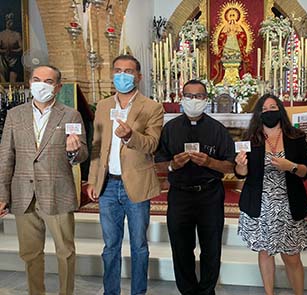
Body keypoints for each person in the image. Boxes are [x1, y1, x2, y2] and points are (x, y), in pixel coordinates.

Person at [0, 65, 88, 294]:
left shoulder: (70, 114)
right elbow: (6, 157)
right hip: (23, 195)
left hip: (57, 193)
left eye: (48, 81)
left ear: (58, 87)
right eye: (37, 79)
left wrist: (73, 151)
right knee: (30, 253)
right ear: (30, 83)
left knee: (65, 252)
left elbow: (82, 155)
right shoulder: (14, 115)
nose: (41, 85)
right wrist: (2, 195)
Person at [86, 54, 164, 295]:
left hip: (137, 183)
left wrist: (131, 136)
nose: (122, 75)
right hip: (107, 185)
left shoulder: (152, 107)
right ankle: (111, 291)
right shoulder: (103, 106)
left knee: (139, 245)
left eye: (128, 71)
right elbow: (97, 145)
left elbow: (152, 144)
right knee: (110, 245)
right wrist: (92, 179)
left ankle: (138, 292)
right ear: (112, 74)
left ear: (138, 76)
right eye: (118, 70)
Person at [154, 79, 235, 295]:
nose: (193, 100)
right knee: (181, 248)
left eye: (198, 96)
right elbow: (158, 163)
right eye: (189, 96)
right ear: (181, 98)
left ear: (206, 100)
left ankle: (207, 291)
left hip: (209, 194)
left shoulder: (217, 129)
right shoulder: (170, 128)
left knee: (211, 248)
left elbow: (230, 165)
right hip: (180, 195)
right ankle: (188, 291)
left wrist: (209, 162)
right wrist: (173, 164)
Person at [234, 94, 307, 295]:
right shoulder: (250, 139)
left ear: (280, 109)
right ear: (258, 113)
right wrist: (240, 165)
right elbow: (240, 174)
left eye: (273, 107)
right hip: (260, 205)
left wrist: (292, 166)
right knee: (265, 252)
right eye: (264, 108)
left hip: (289, 205)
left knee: (292, 256)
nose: (269, 111)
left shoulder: (295, 137)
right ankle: (269, 293)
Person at [0, 13, 23, 83]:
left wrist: (13, 51)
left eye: (11, 20)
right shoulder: (1, 34)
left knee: (13, 81)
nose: (9, 22)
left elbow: (22, 48)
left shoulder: (17, 34)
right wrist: (4, 51)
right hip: (3, 60)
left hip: (14, 60)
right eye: (8, 20)